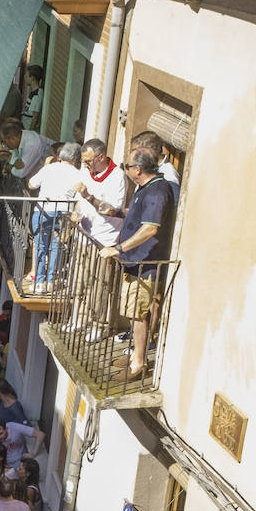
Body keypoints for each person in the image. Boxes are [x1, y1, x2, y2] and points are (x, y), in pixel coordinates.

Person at [98, 148, 176, 381]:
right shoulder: (146, 189)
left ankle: (139, 362)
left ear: (138, 169)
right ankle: (135, 355)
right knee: (133, 312)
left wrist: (119, 248)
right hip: (134, 262)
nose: (126, 170)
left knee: (137, 313)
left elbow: (151, 227)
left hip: (145, 264)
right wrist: (118, 212)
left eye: (127, 166)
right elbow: (139, 216)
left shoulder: (157, 191)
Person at [24, 143, 84, 293]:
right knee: (57, 247)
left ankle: (38, 283)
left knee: (41, 246)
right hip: (64, 213)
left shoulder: (49, 169)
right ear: (76, 159)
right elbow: (79, 196)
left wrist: (45, 167)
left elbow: (31, 184)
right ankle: (50, 282)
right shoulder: (78, 174)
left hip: (43, 211)